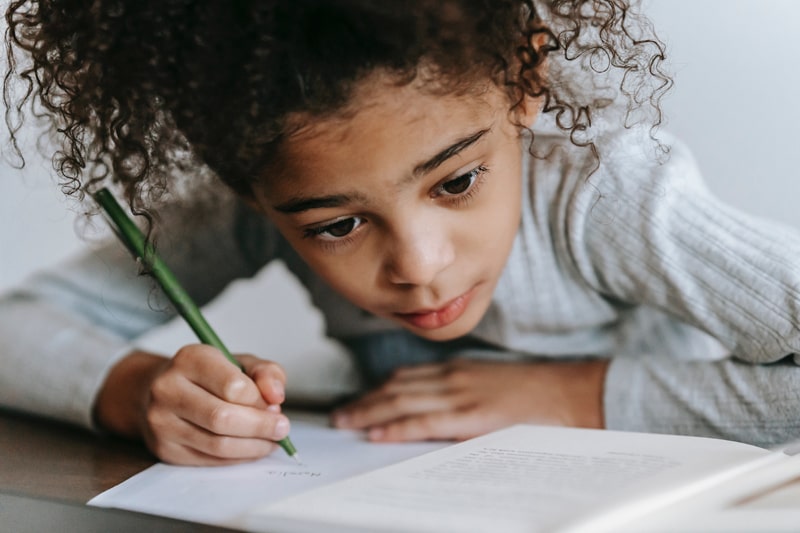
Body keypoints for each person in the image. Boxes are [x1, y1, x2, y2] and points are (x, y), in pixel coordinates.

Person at [3, 0, 800, 467]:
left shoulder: (604, 196)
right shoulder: (259, 204)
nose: (419, 266)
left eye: (456, 181)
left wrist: (576, 394)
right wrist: (137, 392)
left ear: (525, 79)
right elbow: (15, 327)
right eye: (338, 225)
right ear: (245, 181)